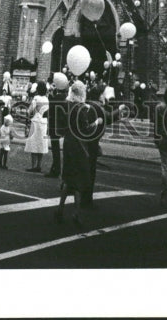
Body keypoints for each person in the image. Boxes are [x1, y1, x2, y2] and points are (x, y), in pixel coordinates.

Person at [55, 80, 102, 226]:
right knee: (79, 179)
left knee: (68, 177)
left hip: (68, 143)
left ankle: (60, 209)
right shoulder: (81, 109)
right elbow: (86, 129)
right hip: (79, 146)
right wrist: (97, 122)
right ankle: (76, 213)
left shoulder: (68, 105)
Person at [45, 75, 68, 178]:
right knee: (57, 149)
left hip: (54, 125)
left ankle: (56, 169)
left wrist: (50, 95)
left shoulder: (56, 97)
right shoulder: (65, 97)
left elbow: (51, 107)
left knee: (55, 149)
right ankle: (56, 169)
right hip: (61, 125)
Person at [24, 80, 49, 172]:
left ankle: (33, 166)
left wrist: (29, 114)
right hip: (44, 122)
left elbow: (29, 110)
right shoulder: (46, 99)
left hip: (36, 121)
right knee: (41, 143)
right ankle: (39, 165)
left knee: (34, 143)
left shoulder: (36, 98)